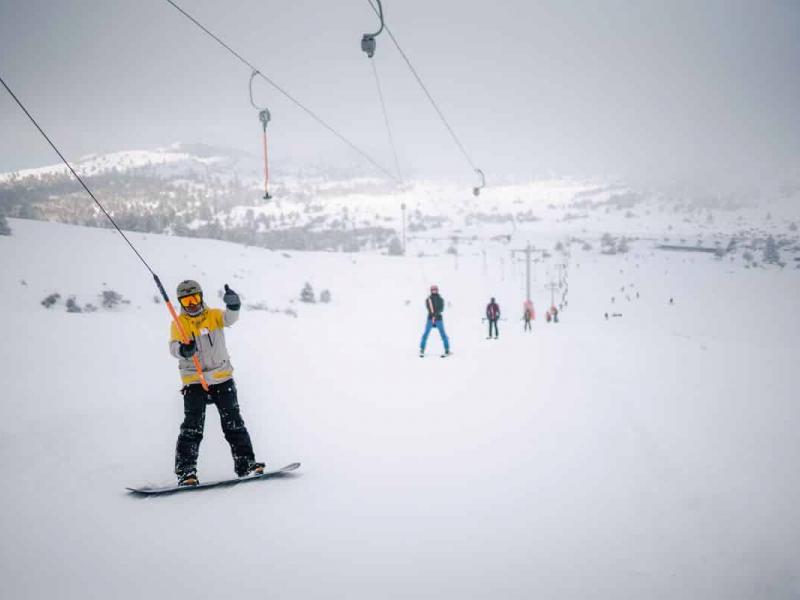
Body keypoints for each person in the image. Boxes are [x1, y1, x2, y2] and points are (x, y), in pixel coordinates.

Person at [170, 280, 264, 486]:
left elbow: (230, 319)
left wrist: (233, 306)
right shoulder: (179, 324)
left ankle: (246, 464)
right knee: (192, 428)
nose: (192, 304)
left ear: (201, 297)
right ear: (181, 303)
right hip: (194, 379)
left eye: (195, 298)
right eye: (187, 300)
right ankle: (186, 473)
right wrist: (183, 350)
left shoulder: (213, 316)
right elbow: (173, 347)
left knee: (234, 423)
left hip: (222, 376)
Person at [420, 284, 450, 357]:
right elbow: (429, 308)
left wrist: (435, 314)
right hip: (430, 319)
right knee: (425, 334)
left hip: (439, 319)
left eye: (435, 290)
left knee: (443, 334)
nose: (434, 291)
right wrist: (432, 314)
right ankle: (422, 349)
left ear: (437, 290)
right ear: (431, 291)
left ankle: (447, 349)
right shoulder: (428, 299)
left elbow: (441, 308)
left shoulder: (441, 299)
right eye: (432, 290)